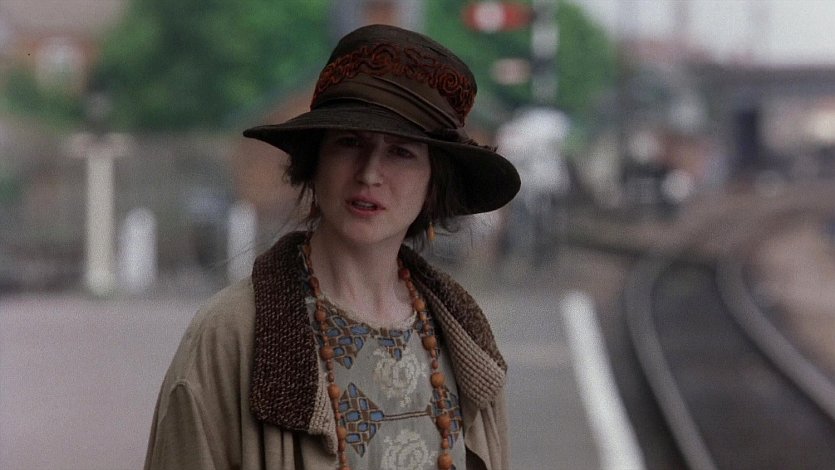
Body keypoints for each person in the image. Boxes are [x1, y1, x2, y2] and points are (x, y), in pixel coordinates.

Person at [144, 24, 520, 470]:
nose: (369, 173)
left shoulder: (464, 340)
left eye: (401, 152)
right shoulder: (231, 335)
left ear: (433, 182)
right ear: (315, 161)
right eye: (349, 143)